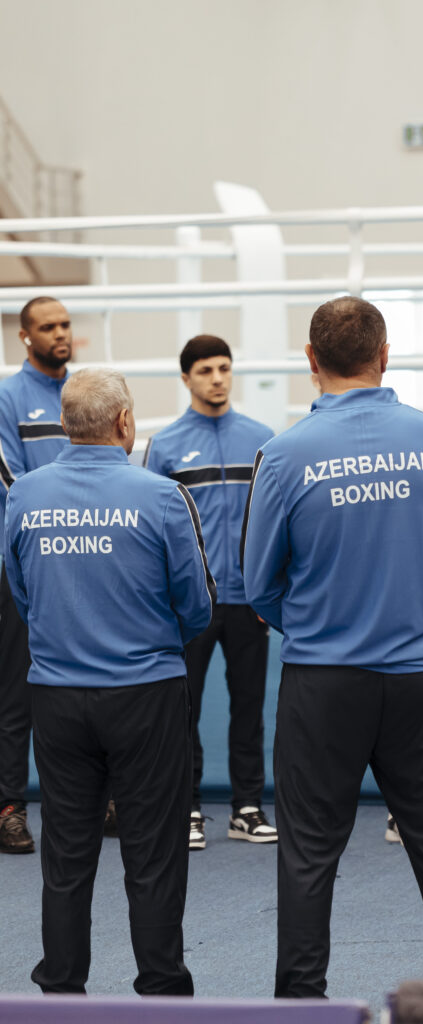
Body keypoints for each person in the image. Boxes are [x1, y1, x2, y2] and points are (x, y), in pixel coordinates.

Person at [242, 296, 423, 997]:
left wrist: (320, 624)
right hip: (422, 674)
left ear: (310, 360)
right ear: (384, 355)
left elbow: (259, 585)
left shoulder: (283, 455)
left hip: (323, 680)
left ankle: (301, 1006)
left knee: (308, 854)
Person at [3, 368, 215, 995]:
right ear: (124, 422)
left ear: (65, 425)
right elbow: (196, 605)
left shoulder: (24, 496)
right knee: (154, 852)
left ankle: (61, 990)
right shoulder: (162, 496)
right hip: (146, 692)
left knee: (66, 854)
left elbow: (21, 594)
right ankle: (162, 990)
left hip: (57, 695)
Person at [145, 335, 276, 850]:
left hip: (249, 600)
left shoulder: (262, 439)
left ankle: (247, 807)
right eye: (205, 370)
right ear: (186, 378)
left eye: (224, 367)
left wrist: (270, 591)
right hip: (190, 604)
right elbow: (152, 529)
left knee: (249, 708)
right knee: (184, 709)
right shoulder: (166, 445)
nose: (217, 378)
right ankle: (189, 808)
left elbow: (274, 522)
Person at [0, 297, 72, 854]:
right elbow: (11, 479)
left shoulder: (84, 394)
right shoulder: (8, 397)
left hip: (88, 561)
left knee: (87, 684)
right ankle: (9, 807)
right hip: (27, 565)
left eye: (65, 325)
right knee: (17, 693)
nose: (60, 334)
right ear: (26, 336)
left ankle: (97, 801)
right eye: (48, 327)